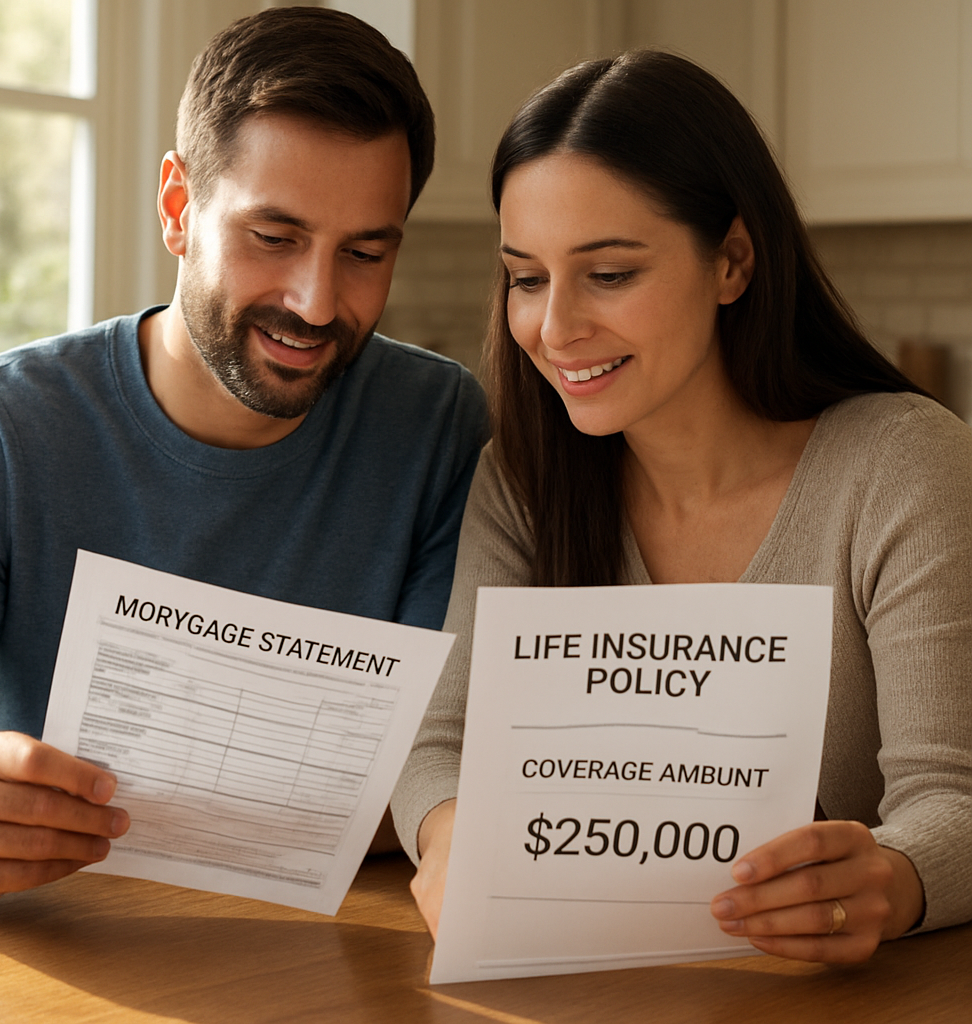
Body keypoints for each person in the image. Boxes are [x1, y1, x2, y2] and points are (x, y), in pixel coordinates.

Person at [391, 49, 972, 965]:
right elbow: (439, 743)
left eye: (610, 274)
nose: (554, 328)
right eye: (527, 278)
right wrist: (450, 831)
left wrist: (894, 878)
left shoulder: (902, 463)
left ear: (733, 261)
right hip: (584, 978)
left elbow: (954, 797)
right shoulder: (526, 477)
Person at [0, 7, 487, 901]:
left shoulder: (438, 424)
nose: (316, 302)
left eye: (364, 251)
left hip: (337, 955)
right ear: (177, 208)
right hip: (60, 948)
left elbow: (435, 770)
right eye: (273, 238)